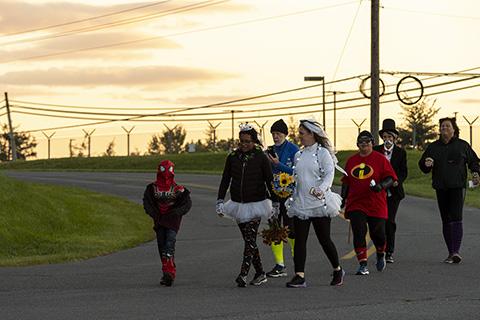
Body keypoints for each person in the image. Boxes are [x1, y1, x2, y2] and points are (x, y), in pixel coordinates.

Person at [216, 124, 279, 287]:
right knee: (249, 240)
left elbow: (269, 180)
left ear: (254, 141)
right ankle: (260, 273)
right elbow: (225, 179)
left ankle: (243, 274)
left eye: (248, 141)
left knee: (250, 239)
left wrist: (275, 203)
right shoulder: (232, 157)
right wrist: (220, 200)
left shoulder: (261, 157)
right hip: (237, 204)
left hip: (257, 203)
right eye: (241, 141)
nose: (244, 144)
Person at [284, 119, 345, 287]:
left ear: (312, 134)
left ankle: (338, 269)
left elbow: (329, 174)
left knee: (324, 239)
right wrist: (288, 189)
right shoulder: (299, 155)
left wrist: (322, 189)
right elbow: (298, 178)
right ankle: (299, 275)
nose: (300, 136)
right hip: (301, 204)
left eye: (302, 133)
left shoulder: (322, 153)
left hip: (319, 204)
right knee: (299, 241)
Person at [419, 117, 480, 264]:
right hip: (441, 187)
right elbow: (423, 165)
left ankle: (456, 252)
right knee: (446, 219)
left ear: (454, 129)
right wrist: (427, 164)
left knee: (456, 217)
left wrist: (476, 173)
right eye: (442, 126)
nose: (444, 128)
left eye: (447, 126)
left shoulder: (462, 145)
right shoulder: (433, 147)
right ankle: (450, 252)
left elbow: (474, 161)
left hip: (458, 187)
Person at [341, 130, 397, 276]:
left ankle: (380, 252)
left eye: (367, 142)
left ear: (372, 143)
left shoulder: (380, 159)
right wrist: (342, 199)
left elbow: (391, 178)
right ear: (357, 144)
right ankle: (363, 263)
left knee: (377, 233)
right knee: (359, 231)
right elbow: (346, 182)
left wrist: (381, 186)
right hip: (356, 203)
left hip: (376, 202)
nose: (364, 145)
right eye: (361, 142)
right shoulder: (352, 160)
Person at [143, 160, 192, 287]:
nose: (165, 173)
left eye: (168, 170)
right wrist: (153, 213)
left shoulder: (178, 189)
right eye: (163, 170)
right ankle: (166, 271)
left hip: (172, 220)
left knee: (170, 241)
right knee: (161, 243)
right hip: (159, 219)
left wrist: (177, 212)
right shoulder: (152, 188)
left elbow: (187, 203)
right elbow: (147, 202)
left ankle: (170, 271)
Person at [265, 119, 300, 278]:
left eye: (278, 134)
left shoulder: (294, 149)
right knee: (274, 228)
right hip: (272, 193)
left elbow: (297, 171)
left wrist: (278, 164)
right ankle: (279, 264)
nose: (275, 136)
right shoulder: (270, 150)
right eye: (273, 134)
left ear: (285, 134)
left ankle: (297, 258)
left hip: (290, 194)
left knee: (291, 227)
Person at [373, 119, 408, 263]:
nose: (387, 139)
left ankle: (389, 251)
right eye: (385, 137)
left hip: (394, 192)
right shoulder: (376, 151)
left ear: (395, 138)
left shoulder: (400, 153)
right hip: (379, 191)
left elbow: (403, 171)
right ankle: (380, 248)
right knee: (378, 222)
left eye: (390, 137)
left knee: (390, 221)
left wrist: (396, 180)